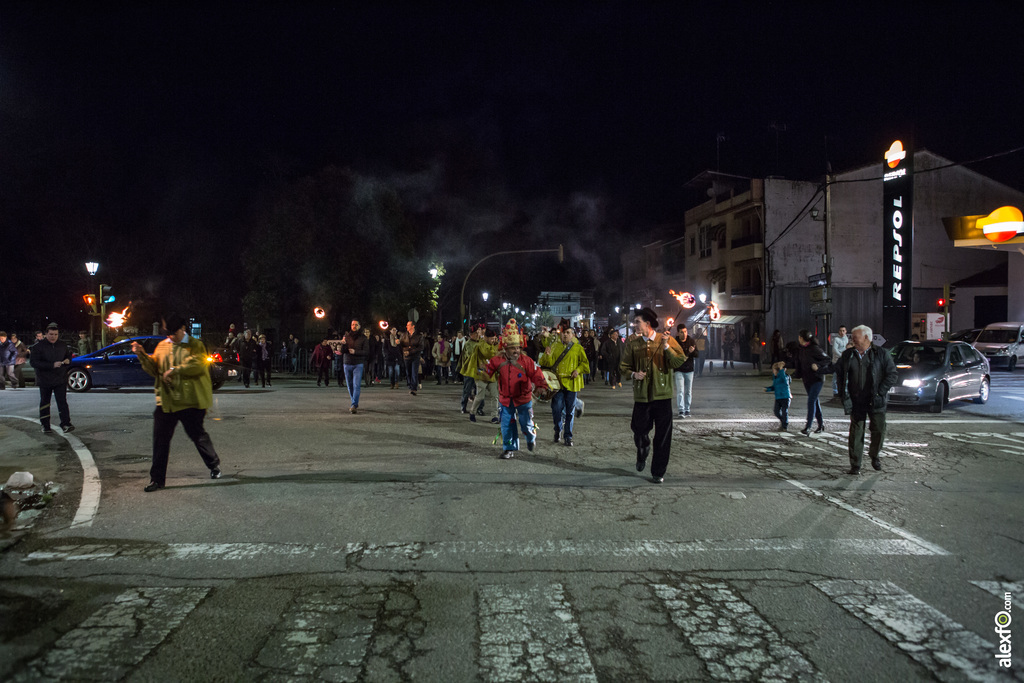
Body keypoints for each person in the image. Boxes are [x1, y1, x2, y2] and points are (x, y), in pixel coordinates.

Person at [132, 314, 222, 492]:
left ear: (183, 329)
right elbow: (154, 369)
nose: (171, 337)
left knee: (197, 435)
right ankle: (156, 480)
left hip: (191, 402)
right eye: (169, 334)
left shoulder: (196, 346)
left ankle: (213, 465)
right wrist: (142, 355)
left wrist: (174, 370)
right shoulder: (163, 346)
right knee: (160, 440)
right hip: (167, 401)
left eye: (174, 333)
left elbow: (196, 365)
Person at [620, 307, 687, 483]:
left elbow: (679, 361)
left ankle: (658, 471)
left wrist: (666, 347)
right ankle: (643, 449)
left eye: (637, 322)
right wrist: (634, 374)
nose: (634, 325)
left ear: (647, 324)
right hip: (642, 397)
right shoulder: (633, 343)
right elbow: (623, 367)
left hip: (663, 396)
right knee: (639, 430)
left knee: (663, 436)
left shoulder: (666, 339)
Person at [835, 325, 899, 475]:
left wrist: (880, 392)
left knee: (878, 430)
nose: (852, 340)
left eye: (855, 338)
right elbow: (839, 373)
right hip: (857, 401)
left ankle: (874, 456)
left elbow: (892, 375)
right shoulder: (848, 355)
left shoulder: (881, 354)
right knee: (856, 433)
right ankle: (855, 464)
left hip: (876, 400)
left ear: (866, 338)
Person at [481, 319, 548, 458]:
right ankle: (508, 449)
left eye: (518, 347)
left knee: (526, 425)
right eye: (512, 347)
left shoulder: (527, 361)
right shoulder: (497, 360)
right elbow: (487, 372)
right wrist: (482, 372)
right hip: (506, 399)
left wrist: (541, 386)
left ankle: (530, 438)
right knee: (507, 426)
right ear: (505, 348)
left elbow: (537, 373)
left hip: (524, 399)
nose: (516, 350)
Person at [538, 320, 589, 447]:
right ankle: (557, 428)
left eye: (568, 333)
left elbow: (585, 364)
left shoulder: (578, 348)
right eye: (563, 333)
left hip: (572, 384)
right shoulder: (554, 346)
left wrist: (578, 370)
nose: (565, 335)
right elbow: (545, 363)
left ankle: (568, 436)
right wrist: (548, 355)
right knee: (556, 409)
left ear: (573, 335)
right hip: (557, 384)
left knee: (570, 411)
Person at [29, 323, 74, 433]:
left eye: (55, 334)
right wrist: (51, 365)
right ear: (46, 334)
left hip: (60, 378)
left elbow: (68, 355)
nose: (53, 336)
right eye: (51, 334)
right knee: (45, 402)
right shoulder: (38, 347)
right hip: (45, 379)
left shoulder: (62, 345)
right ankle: (45, 425)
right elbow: (34, 362)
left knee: (62, 402)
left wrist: (68, 360)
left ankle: (66, 423)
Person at [793, 329, 830, 435]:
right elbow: (798, 363)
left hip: (817, 379)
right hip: (807, 379)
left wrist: (817, 366)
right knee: (814, 401)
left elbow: (827, 359)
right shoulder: (801, 349)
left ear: (801, 338)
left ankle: (808, 426)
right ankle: (820, 424)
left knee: (811, 401)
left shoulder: (814, 349)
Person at [468, 328, 500, 422]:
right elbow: (489, 353)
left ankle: (494, 416)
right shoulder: (481, 345)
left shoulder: (495, 345)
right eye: (491, 338)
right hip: (481, 375)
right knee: (480, 397)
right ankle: (472, 412)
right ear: (486, 337)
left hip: (492, 375)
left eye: (494, 338)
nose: (493, 340)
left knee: (495, 396)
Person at [343, 319, 368, 413]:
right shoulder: (346, 337)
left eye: (356, 325)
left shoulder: (363, 338)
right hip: (347, 363)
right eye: (352, 324)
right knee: (350, 385)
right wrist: (343, 344)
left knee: (356, 384)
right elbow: (342, 351)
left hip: (358, 364)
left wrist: (355, 352)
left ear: (359, 326)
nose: (354, 326)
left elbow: (366, 352)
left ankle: (354, 404)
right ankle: (354, 401)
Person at [673, 324, 698, 417]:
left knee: (688, 391)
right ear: (678, 333)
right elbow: (675, 355)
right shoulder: (675, 342)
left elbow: (697, 354)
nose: (684, 334)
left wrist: (693, 351)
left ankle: (687, 409)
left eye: (685, 331)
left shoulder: (691, 341)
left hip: (689, 370)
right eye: (682, 332)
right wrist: (688, 352)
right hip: (678, 369)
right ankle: (681, 410)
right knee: (680, 390)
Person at [458, 326, 482, 413]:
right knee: (467, 390)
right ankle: (463, 406)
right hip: (469, 370)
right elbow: (469, 355)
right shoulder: (468, 344)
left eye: (478, 333)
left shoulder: (481, 343)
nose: (477, 335)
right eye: (475, 333)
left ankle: (479, 408)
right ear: (471, 334)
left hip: (479, 371)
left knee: (480, 391)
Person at [397, 321, 423, 395]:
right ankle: (410, 385)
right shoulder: (404, 335)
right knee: (408, 372)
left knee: (414, 372)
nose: (406, 326)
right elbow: (401, 344)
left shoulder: (419, 336)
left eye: (408, 325)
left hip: (415, 356)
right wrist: (399, 342)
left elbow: (421, 347)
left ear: (413, 326)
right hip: (407, 356)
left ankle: (413, 388)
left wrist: (411, 351)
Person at [765, 361, 792, 430]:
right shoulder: (775, 377)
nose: (773, 371)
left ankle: (784, 426)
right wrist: (768, 389)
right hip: (778, 397)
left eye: (773, 370)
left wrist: (781, 370)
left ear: (777, 370)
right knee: (776, 412)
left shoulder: (785, 376)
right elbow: (774, 386)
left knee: (784, 412)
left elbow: (786, 382)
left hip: (785, 397)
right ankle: (784, 422)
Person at [830, 325, 850, 397]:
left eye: (843, 331)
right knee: (835, 377)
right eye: (840, 331)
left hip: (844, 361)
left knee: (845, 376)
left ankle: (845, 390)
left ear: (846, 331)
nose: (842, 332)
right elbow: (834, 350)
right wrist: (842, 356)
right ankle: (835, 392)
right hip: (836, 361)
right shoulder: (836, 339)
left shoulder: (846, 339)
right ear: (839, 332)